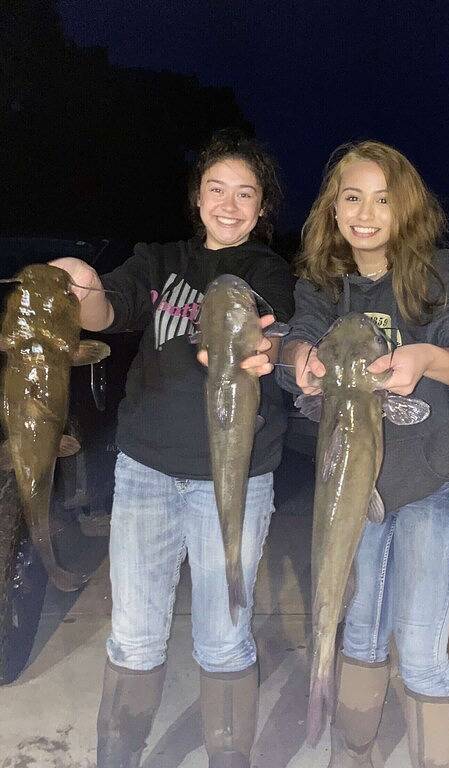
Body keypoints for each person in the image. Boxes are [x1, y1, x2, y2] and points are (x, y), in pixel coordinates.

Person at [51, 131, 294, 768]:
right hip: (146, 473)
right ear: (197, 197)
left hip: (236, 477)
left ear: (262, 207)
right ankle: (118, 756)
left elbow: (271, 328)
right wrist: (81, 285)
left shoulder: (268, 270)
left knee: (224, 637)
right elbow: (107, 311)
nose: (229, 205)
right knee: (134, 637)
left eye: (245, 194)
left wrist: (259, 349)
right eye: (217, 189)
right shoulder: (158, 261)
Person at [277, 141, 449, 768]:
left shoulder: (441, 273)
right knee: (361, 637)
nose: (366, 214)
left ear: (407, 209)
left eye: (383, 199)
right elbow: (295, 346)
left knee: (422, 651)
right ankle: (351, 754)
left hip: (433, 482)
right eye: (352, 198)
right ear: (333, 208)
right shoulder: (323, 283)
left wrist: (427, 358)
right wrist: (301, 359)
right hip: (353, 489)